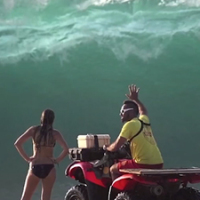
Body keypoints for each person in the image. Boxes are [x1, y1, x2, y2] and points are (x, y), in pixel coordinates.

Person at [105, 84, 164, 181]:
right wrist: (136, 100)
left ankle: (117, 195)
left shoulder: (129, 125)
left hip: (142, 163)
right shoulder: (144, 121)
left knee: (113, 169)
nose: (120, 114)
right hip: (158, 163)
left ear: (129, 112)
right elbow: (143, 111)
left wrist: (107, 147)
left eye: (122, 111)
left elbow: (116, 146)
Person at [14, 109, 69, 200]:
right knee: (46, 198)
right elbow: (66, 149)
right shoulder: (55, 133)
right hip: (49, 167)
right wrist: (56, 160)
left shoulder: (34, 130)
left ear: (41, 118)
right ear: (53, 120)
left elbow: (17, 143)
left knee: (26, 198)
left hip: (35, 166)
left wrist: (27, 158)